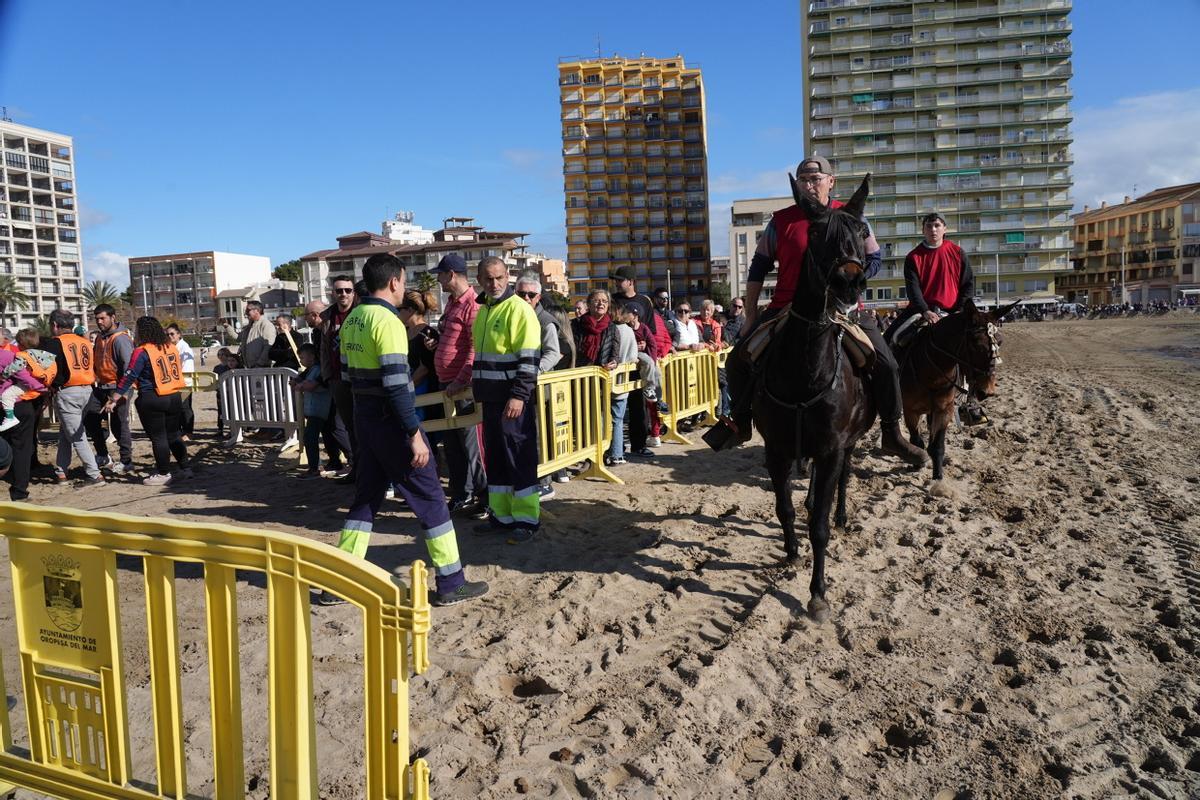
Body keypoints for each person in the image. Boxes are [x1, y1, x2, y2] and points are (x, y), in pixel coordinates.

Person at [719, 155, 928, 466]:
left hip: (843, 310)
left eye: (816, 179)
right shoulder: (780, 221)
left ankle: (891, 434)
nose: (809, 184)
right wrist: (750, 315)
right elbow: (759, 267)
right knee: (738, 359)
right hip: (786, 307)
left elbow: (873, 258)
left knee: (887, 365)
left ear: (831, 182)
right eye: (803, 179)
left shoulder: (851, 215)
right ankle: (741, 422)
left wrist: (851, 282)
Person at [330, 253, 488, 607]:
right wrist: (414, 434)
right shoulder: (387, 323)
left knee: (366, 499)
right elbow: (397, 387)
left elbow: (344, 372)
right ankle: (451, 582)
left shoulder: (353, 318)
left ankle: (339, 579)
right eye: (403, 280)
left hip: (364, 418)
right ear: (394, 282)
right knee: (431, 498)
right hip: (390, 422)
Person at [471, 255, 542, 542]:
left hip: (513, 400)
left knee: (520, 457)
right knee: (497, 459)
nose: (494, 283)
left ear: (508, 275)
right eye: (488, 278)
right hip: (490, 399)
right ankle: (501, 516)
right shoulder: (485, 311)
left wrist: (519, 396)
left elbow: (529, 360)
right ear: (480, 280)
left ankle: (526, 519)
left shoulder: (519, 310)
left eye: (499, 277)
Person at [893, 212, 986, 425]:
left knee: (982, 346)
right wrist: (925, 310)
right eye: (928, 226)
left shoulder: (958, 253)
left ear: (945, 228)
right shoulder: (913, 257)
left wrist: (958, 312)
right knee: (892, 339)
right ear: (923, 230)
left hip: (953, 313)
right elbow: (913, 289)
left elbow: (968, 285)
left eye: (937, 225)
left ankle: (971, 403)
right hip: (921, 311)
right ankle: (894, 394)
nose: (933, 230)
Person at [103, 317, 191, 486]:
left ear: (141, 331)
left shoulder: (142, 351)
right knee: (173, 435)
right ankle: (185, 468)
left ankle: (164, 473)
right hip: (174, 395)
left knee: (159, 437)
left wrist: (114, 398)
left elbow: (129, 375)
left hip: (152, 397)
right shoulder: (170, 347)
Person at [432, 254, 488, 516]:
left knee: (470, 444)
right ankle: (462, 493)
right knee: (453, 445)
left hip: (461, 387)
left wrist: (460, 381)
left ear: (451, 274)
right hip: (448, 384)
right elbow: (455, 341)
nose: (438, 279)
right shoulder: (453, 303)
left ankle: (484, 496)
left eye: (440, 274)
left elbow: (474, 351)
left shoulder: (472, 305)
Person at [515, 273, 572, 495]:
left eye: (531, 294)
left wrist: (533, 372)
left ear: (538, 297)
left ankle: (544, 481)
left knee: (539, 435)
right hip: (520, 387)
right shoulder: (516, 315)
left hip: (539, 389)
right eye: (521, 294)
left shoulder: (545, 320)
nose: (526, 298)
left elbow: (553, 353)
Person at [41, 310, 103, 485]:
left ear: (55, 325)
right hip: (87, 390)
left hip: (68, 392)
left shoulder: (54, 343)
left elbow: (43, 369)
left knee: (77, 436)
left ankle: (94, 474)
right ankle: (61, 471)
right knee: (66, 433)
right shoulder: (85, 342)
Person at [609, 267, 658, 459]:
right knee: (616, 406)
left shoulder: (644, 301)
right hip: (619, 360)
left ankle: (639, 445)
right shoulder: (612, 300)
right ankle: (616, 448)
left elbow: (651, 329)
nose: (616, 283)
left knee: (638, 405)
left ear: (631, 281)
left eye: (620, 280)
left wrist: (645, 343)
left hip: (638, 362)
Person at [4, 329, 55, 499]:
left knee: (7, 444)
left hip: (11, 403)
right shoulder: (12, 356)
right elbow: (26, 376)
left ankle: (11, 476)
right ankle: (19, 490)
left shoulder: (17, 356)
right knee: (22, 448)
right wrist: (43, 389)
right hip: (23, 403)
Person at [85, 303, 136, 474]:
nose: (99, 322)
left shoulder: (121, 339)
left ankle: (126, 461)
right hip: (101, 387)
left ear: (112, 317)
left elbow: (129, 368)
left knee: (119, 424)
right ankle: (103, 455)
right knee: (91, 418)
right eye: (96, 318)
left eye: (102, 318)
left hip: (119, 386)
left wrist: (120, 393)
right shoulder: (100, 337)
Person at [319, 275, 359, 483]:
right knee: (348, 427)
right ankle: (355, 468)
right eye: (339, 290)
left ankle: (368, 471)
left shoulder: (360, 312)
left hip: (359, 376)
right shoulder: (327, 317)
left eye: (347, 290)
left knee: (363, 426)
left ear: (354, 292)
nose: (343, 294)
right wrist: (326, 375)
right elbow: (324, 349)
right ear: (332, 293)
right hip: (336, 378)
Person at [293, 343, 332, 479]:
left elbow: (317, 386)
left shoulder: (317, 370)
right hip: (314, 409)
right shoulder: (310, 370)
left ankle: (314, 468)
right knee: (316, 437)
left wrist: (302, 385)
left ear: (312, 356)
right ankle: (317, 465)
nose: (301, 361)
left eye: (302, 358)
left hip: (318, 409)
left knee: (310, 438)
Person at [607, 306, 638, 466]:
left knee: (606, 419)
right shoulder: (628, 330)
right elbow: (633, 356)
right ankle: (617, 454)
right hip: (622, 381)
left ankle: (611, 451)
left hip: (605, 380)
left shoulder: (608, 329)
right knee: (618, 420)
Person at [572, 289, 618, 367]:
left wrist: (613, 363)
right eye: (596, 301)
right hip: (579, 372)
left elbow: (615, 354)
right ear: (589, 305)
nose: (601, 304)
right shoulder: (577, 324)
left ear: (608, 305)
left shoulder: (612, 328)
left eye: (604, 301)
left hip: (602, 374)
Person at [165, 324, 196, 440]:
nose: (170, 336)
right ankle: (178, 431)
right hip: (173, 383)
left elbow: (187, 369)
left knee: (185, 408)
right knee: (175, 408)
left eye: (172, 334)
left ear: (179, 334)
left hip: (184, 383)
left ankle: (188, 432)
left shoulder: (185, 348)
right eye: (167, 334)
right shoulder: (170, 347)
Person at [237, 300, 276, 368]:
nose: (246, 312)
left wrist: (259, 364)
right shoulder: (249, 327)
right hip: (250, 368)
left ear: (257, 310)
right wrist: (226, 326)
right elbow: (237, 338)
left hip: (261, 368)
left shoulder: (266, 325)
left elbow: (268, 347)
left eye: (248, 310)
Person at [213, 347, 234, 438]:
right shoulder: (217, 368)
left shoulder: (230, 367)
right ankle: (220, 429)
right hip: (220, 393)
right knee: (221, 411)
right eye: (219, 354)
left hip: (230, 393)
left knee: (231, 410)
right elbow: (214, 381)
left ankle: (232, 429)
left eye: (223, 354)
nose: (221, 356)